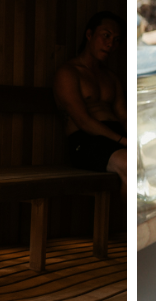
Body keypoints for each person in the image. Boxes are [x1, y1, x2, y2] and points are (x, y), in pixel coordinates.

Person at [55, 11, 128, 195]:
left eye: (116, 39)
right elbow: (83, 121)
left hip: (117, 137)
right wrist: (122, 140)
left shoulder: (111, 78)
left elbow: (124, 117)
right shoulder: (68, 73)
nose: (111, 43)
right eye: (106, 36)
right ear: (89, 35)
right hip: (86, 141)